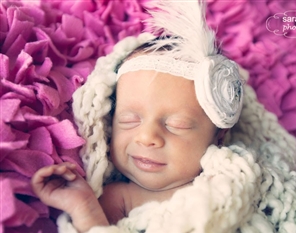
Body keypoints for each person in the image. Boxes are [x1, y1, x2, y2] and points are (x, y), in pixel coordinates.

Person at [31, 1, 244, 232]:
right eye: (129, 121)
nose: (146, 137)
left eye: (176, 125)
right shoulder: (122, 199)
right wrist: (83, 206)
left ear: (218, 137)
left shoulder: (232, 183)